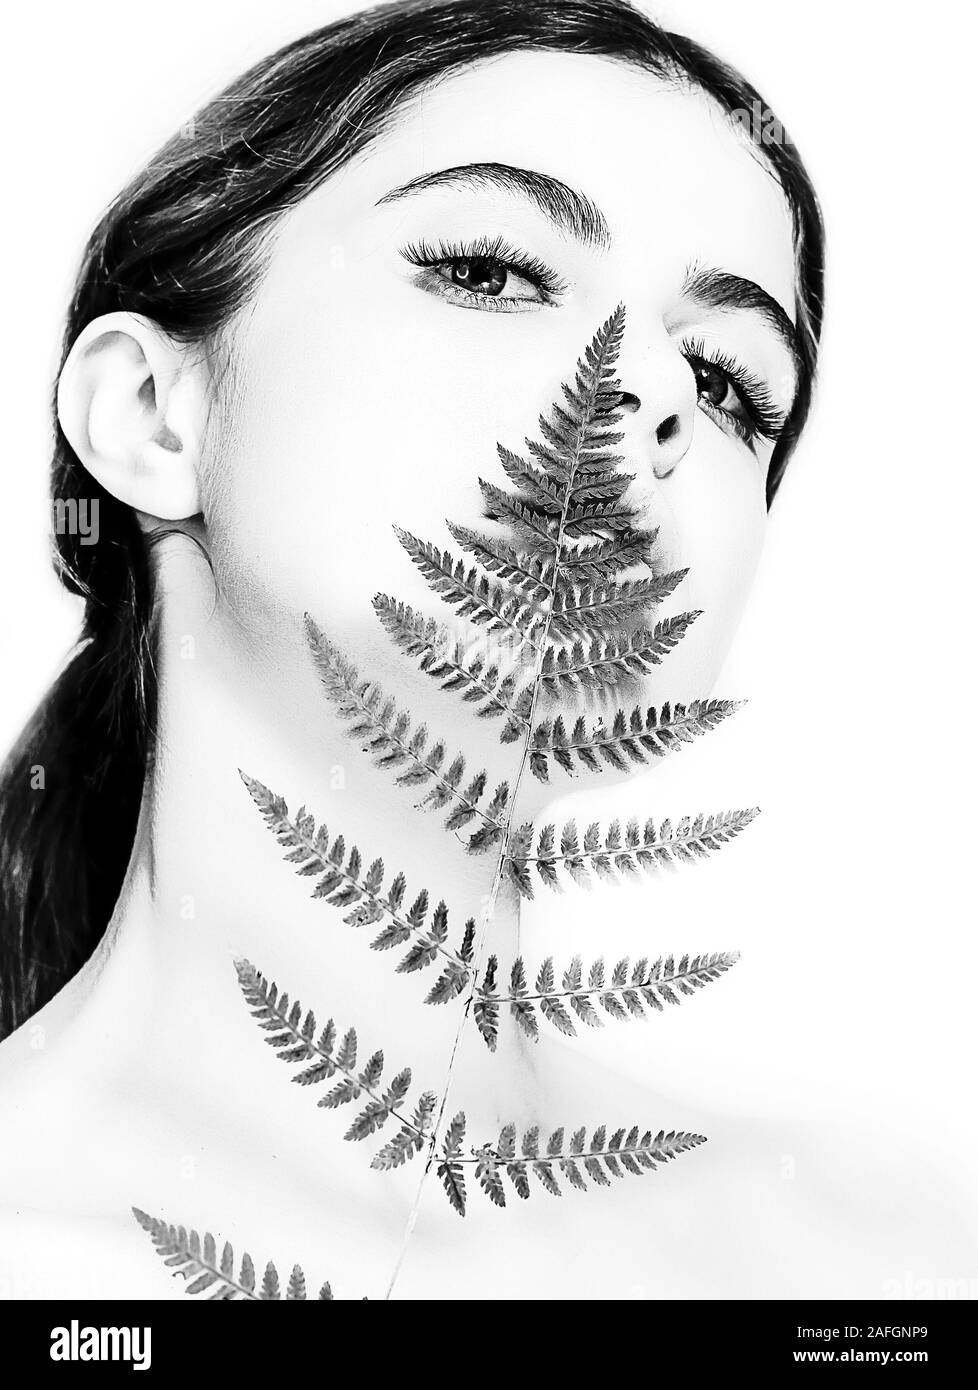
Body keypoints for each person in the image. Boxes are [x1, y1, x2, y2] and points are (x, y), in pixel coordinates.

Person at [0, 0, 825, 1299]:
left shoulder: (874, 1262)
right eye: (490, 269)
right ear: (152, 414)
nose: (650, 388)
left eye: (729, 383)